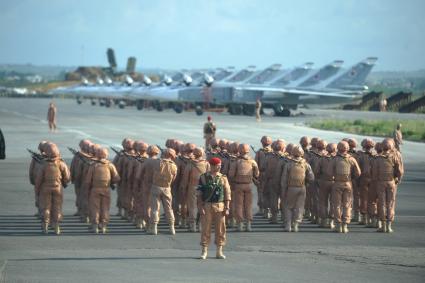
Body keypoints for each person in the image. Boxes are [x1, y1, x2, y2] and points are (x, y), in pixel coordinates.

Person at [197, 157, 231, 260]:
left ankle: (219, 251)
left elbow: (227, 193)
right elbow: (199, 193)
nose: (219, 167)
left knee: (220, 229)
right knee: (205, 229)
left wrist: (227, 207)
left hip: (220, 206)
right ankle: (204, 251)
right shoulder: (203, 177)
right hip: (207, 206)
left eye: (220, 165)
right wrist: (200, 207)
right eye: (218, 165)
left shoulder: (223, 178)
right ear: (212, 166)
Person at [35, 143, 70, 234]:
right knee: (57, 207)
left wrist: (37, 191)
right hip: (58, 188)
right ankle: (56, 227)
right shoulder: (61, 163)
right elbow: (67, 176)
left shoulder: (44, 165)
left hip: (45, 188)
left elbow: (38, 180)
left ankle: (45, 226)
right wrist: (64, 183)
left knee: (46, 207)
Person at [84, 147, 120, 233]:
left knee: (95, 208)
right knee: (105, 208)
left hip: (95, 189)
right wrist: (110, 182)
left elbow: (88, 180)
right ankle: (103, 226)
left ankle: (95, 226)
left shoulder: (93, 165)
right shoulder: (110, 165)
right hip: (106, 189)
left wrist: (87, 190)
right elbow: (117, 178)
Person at [328, 141, 361, 233]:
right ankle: (345, 226)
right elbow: (358, 173)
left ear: (338, 148)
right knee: (347, 205)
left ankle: (338, 226)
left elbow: (329, 172)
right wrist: (351, 178)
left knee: (337, 205)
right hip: (348, 184)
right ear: (347, 148)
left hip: (337, 183)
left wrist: (335, 176)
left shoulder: (334, 159)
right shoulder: (352, 159)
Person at [372, 138, 404, 233]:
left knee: (381, 203)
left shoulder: (377, 159)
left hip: (381, 183)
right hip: (391, 182)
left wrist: (376, 181)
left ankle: (383, 225)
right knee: (390, 203)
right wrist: (398, 179)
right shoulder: (395, 156)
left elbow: (374, 173)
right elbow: (400, 170)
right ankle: (389, 226)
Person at [281, 145, 314, 232]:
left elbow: (283, 180)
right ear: (302, 153)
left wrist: (283, 191)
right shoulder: (306, 165)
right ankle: (295, 225)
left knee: (288, 206)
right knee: (299, 207)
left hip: (291, 188)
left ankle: (288, 225)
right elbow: (311, 178)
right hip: (302, 188)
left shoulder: (288, 165)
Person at [228, 144, 259, 232]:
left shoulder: (236, 161)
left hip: (238, 185)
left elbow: (231, 175)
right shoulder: (252, 161)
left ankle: (240, 225)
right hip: (249, 185)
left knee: (239, 205)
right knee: (248, 205)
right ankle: (248, 224)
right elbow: (257, 174)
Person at [180, 147, 210, 232]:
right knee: (202, 206)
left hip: (193, 187)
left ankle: (192, 225)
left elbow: (185, 178)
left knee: (192, 206)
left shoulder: (190, 164)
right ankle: (200, 225)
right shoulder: (206, 164)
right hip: (203, 187)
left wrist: (183, 187)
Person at [149, 148, 178, 235]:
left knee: (155, 208)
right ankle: (172, 227)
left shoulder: (157, 162)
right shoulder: (174, 166)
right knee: (169, 209)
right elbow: (173, 178)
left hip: (156, 187)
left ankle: (154, 227)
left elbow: (151, 174)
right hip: (167, 188)